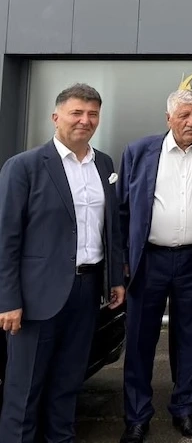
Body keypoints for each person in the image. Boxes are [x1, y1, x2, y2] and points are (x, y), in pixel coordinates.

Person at [0, 83, 126, 443]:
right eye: (76, 113)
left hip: (86, 291)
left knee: (68, 382)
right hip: (37, 296)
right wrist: (8, 300)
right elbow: (7, 238)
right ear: (56, 117)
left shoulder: (104, 163)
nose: (85, 120)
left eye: (92, 114)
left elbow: (111, 227)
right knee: (25, 389)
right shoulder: (24, 166)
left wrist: (115, 278)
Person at [118, 89, 192, 442]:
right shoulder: (139, 151)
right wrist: (123, 259)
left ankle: (185, 409)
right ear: (168, 119)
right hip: (148, 260)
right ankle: (137, 415)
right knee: (140, 340)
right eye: (184, 116)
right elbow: (122, 209)